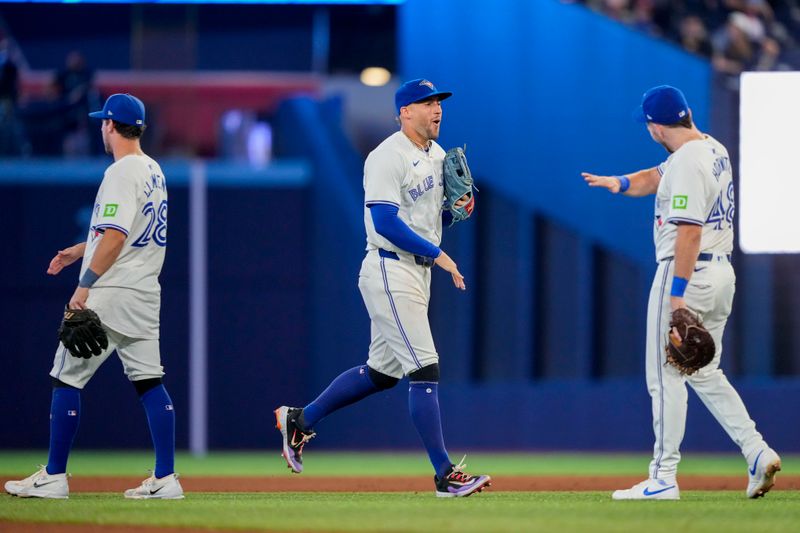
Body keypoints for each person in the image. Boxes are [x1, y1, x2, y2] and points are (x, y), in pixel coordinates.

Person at [275, 78, 491, 498]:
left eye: (439, 102)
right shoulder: (385, 156)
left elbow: (427, 221)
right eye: (426, 102)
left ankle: (300, 420)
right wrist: (440, 253)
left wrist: (455, 214)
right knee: (425, 368)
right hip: (390, 269)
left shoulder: (439, 155)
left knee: (381, 374)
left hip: (417, 270)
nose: (437, 109)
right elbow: (385, 223)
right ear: (404, 112)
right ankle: (445, 475)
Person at [582, 85, 780, 500]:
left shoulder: (688, 161)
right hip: (722, 272)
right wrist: (617, 182)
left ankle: (663, 477)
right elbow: (656, 177)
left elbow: (688, 231)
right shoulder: (709, 147)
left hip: (688, 272)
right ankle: (757, 451)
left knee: (664, 375)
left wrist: (676, 299)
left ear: (656, 126)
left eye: (648, 123)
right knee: (703, 371)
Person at [4, 94, 183, 500]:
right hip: (144, 293)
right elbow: (123, 231)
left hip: (112, 290)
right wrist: (79, 248)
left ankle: (54, 476)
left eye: (103, 121)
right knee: (150, 381)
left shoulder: (120, 172)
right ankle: (166, 477)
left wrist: (83, 286)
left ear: (109, 125)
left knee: (66, 375)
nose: (100, 127)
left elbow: (117, 236)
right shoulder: (153, 170)